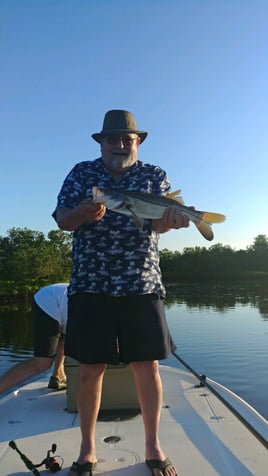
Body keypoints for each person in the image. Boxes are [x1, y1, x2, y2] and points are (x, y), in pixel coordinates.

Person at [53, 110, 190, 476]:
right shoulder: (82, 173)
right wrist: (82, 213)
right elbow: (62, 219)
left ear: (138, 142)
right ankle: (86, 451)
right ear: (101, 142)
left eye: (126, 138)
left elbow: (159, 224)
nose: (119, 144)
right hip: (91, 285)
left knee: (147, 367)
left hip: (141, 283)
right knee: (89, 369)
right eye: (112, 138)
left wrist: (171, 222)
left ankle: (153, 447)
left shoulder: (154, 175)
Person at [0, 283, 68, 395]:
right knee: (42, 362)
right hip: (48, 300)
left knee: (66, 337)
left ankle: (57, 376)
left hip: (62, 302)